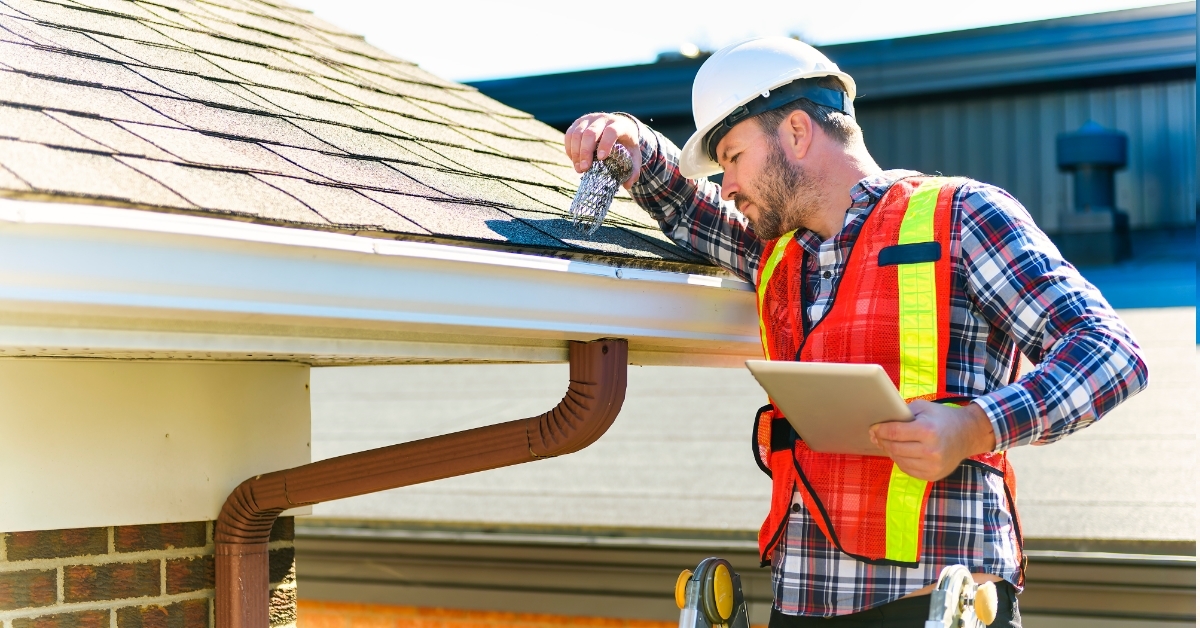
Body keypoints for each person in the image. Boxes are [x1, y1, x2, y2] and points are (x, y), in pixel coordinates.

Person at [564, 37, 1148, 628]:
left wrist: (973, 426)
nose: (729, 185)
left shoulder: (963, 217)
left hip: (937, 597)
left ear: (796, 132)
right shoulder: (777, 253)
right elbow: (692, 207)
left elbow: (1110, 352)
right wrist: (631, 145)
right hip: (802, 598)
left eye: (734, 157)